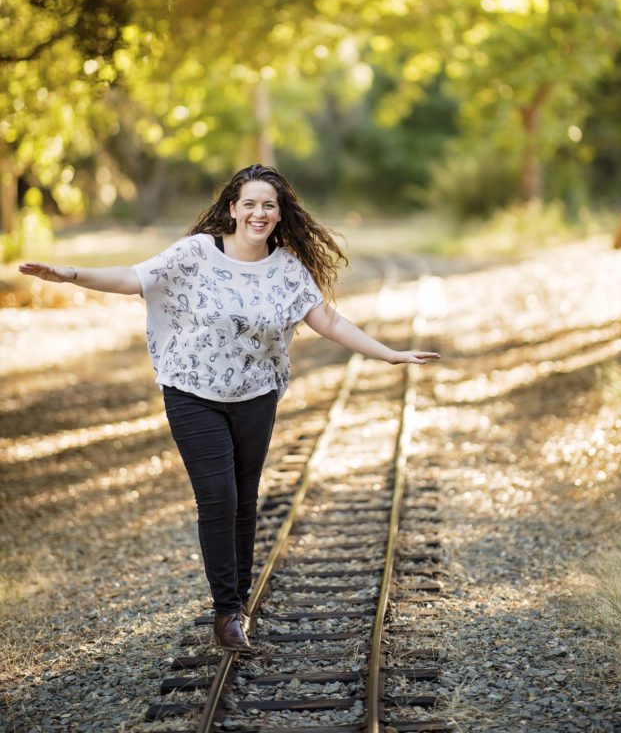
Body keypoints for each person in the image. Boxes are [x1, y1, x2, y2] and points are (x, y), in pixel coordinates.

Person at [19, 164, 439, 651]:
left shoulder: (285, 268)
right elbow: (135, 278)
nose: (259, 213)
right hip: (192, 393)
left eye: (269, 205)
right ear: (233, 208)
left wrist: (388, 353)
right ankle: (226, 613)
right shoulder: (197, 253)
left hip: (255, 397)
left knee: (244, 501)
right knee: (217, 498)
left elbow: (328, 320)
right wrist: (70, 275)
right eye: (250, 204)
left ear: (280, 215)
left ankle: (237, 602)